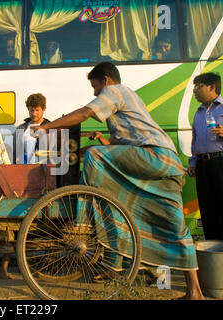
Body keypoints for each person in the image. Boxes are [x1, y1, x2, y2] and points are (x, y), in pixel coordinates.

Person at [33, 61, 204, 299]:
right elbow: (123, 143)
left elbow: (86, 112)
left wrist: (48, 126)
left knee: (95, 156)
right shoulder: (130, 98)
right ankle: (195, 292)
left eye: (95, 86)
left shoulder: (114, 91)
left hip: (154, 156)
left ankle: (83, 221)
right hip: (169, 164)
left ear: (106, 79)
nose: (94, 92)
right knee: (174, 224)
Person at [187, 73, 223, 252]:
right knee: (209, 213)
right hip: (203, 167)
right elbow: (195, 141)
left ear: (212, 87)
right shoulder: (198, 112)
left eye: (198, 86)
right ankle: (217, 262)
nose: (194, 90)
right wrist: (193, 163)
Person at [14, 93, 51, 164]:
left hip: (45, 171)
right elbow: (15, 153)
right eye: (32, 110)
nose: (34, 114)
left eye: (37, 110)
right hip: (23, 170)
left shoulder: (50, 128)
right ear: (28, 109)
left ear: (43, 110)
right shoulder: (20, 128)